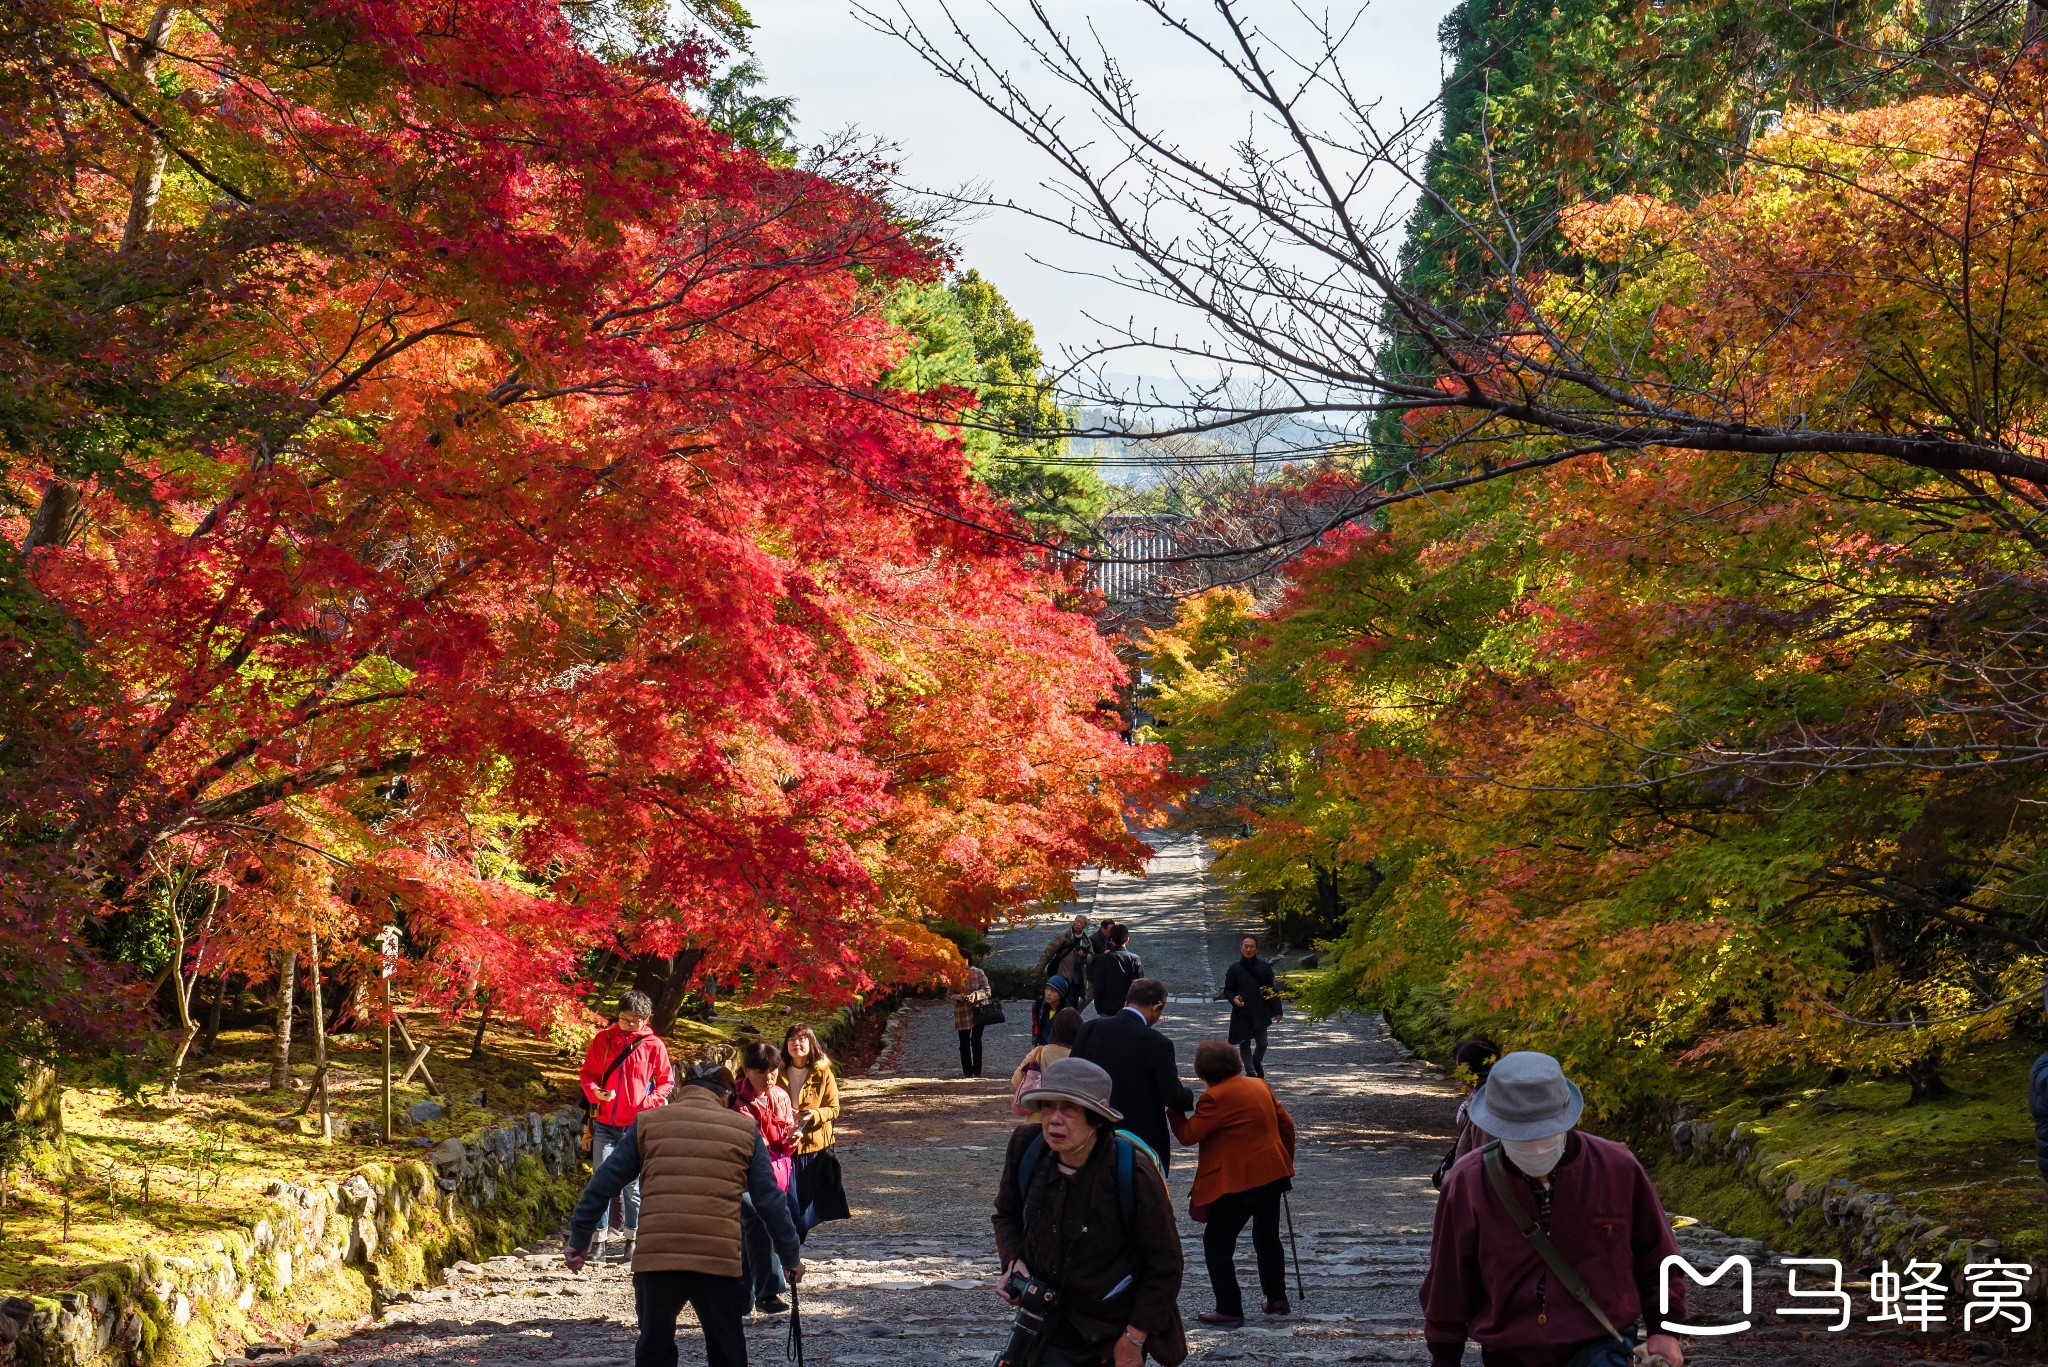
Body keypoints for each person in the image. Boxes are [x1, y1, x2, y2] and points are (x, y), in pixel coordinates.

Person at [1421, 1052, 1688, 1367]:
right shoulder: (1468, 1181)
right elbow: (1449, 1279)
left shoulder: (1617, 1169)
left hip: (1600, 1341)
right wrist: (1444, 1355)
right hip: (1509, 1348)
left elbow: (1657, 1254)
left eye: (1544, 1135)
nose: (1534, 1147)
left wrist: (1665, 1328)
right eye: (1521, 1138)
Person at [564, 1062, 804, 1367]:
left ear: (681, 1091)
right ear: (728, 1096)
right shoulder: (744, 1130)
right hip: (717, 1260)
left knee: (655, 1346)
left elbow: (603, 1183)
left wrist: (580, 1237)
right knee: (727, 1348)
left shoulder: (648, 1123)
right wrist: (790, 1256)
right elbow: (769, 1202)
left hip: (657, 1258)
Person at [995, 1057, 1188, 1366]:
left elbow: (1166, 1265)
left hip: (1107, 1333)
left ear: (1096, 1118)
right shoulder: (1026, 1148)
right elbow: (1006, 1214)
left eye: (1069, 1108)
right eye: (1048, 1106)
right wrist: (1013, 1261)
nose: (1054, 1120)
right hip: (1044, 1325)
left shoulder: (1131, 1173)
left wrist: (1133, 1340)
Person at [1171, 1040, 1296, 1326]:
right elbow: (1286, 1125)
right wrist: (1285, 1161)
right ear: (1235, 1064)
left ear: (1203, 1072)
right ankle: (1276, 1297)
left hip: (1238, 1182)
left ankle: (1229, 1308)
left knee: (1217, 1242)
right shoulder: (1259, 1086)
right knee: (1267, 1238)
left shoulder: (1215, 1098)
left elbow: (1189, 1135)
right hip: (1272, 1174)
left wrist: (1173, 1109)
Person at [578, 990, 675, 1260]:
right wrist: (595, 1091)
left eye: (635, 1021)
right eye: (624, 1019)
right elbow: (587, 1074)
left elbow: (667, 1081)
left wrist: (649, 1101)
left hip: (636, 1125)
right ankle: (599, 1241)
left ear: (646, 1020)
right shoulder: (603, 1039)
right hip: (605, 1123)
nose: (629, 1025)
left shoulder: (654, 1045)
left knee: (632, 1186)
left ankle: (633, 1239)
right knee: (601, 1181)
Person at [1072, 978, 1194, 1170]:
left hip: (1092, 1134)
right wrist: (1189, 1096)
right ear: (1157, 1007)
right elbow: (1172, 1095)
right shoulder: (1158, 1043)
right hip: (1140, 1140)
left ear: (1127, 1001)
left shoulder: (1090, 1028)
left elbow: (1073, 1077)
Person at [734, 1040, 796, 1314]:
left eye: (773, 1070)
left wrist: (794, 1136)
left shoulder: (780, 1096)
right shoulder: (734, 1101)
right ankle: (768, 1291)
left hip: (775, 1174)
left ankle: (741, 1298)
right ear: (746, 1071)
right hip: (742, 1177)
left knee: (750, 1234)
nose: (768, 1076)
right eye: (761, 1071)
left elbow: (786, 1137)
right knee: (757, 1221)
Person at [778, 1025, 841, 1237]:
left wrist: (813, 1115)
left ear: (811, 1043)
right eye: (792, 1040)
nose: (796, 1044)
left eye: (802, 1039)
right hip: (783, 1143)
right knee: (788, 1197)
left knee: (805, 1201)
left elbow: (833, 1109)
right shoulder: (777, 1072)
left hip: (812, 1143)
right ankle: (791, 1242)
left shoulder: (823, 1072)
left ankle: (797, 1240)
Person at [1011, 1006, 1084, 1118]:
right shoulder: (1083, 1056)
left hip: (1038, 1119)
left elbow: (1016, 1081)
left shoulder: (1039, 1052)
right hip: (1070, 1119)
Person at [1222, 937, 1280, 1078]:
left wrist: (1278, 1010)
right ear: (1241, 948)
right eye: (1246, 946)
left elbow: (1272, 989)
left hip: (1260, 1011)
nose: (1248, 949)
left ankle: (1256, 1062)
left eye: (1251, 946)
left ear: (1256, 949)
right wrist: (1234, 999)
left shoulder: (1264, 967)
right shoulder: (1234, 969)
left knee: (1262, 1043)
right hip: (1242, 1011)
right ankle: (1250, 1072)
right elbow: (1228, 990)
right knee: (1244, 1043)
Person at [1091, 923, 1145, 1017]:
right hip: (1129, 1010)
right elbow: (1139, 987)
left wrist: (1100, 1009)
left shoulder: (1103, 959)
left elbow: (1098, 987)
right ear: (1127, 939)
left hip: (1107, 1009)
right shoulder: (1134, 959)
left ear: (1111, 940)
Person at [952, 962, 995, 1077]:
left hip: (978, 1011)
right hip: (962, 1013)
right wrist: (957, 997)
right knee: (964, 1043)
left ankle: (977, 1070)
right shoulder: (953, 975)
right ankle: (967, 1071)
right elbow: (948, 995)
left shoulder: (978, 972)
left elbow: (987, 990)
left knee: (976, 1040)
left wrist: (975, 995)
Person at [1036, 913, 1095, 992]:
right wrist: (1037, 973)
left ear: (1085, 926)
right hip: (1061, 974)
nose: (1078, 924)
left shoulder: (1086, 941)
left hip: (1077, 979)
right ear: (1074, 922)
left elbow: (1090, 958)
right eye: (1077, 921)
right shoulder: (1062, 936)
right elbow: (1047, 954)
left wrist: (1084, 956)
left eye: (1081, 923)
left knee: (1073, 1002)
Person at [1033, 972, 1077, 1046]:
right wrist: (1035, 1044)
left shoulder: (1067, 1014)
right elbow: (1036, 1026)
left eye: (1052, 991)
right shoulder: (1039, 1005)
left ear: (1061, 994)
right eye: (1047, 989)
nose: (1048, 993)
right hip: (1042, 1047)